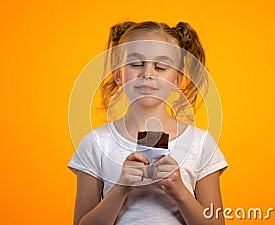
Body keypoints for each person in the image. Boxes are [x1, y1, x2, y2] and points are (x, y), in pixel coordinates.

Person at [68, 21, 228, 225]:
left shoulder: (201, 143)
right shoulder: (96, 143)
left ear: (177, 81)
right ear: (118, 75)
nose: (148, 74)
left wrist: (179, 191)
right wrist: (121, 188)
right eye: (135, 64)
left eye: (161, 67)